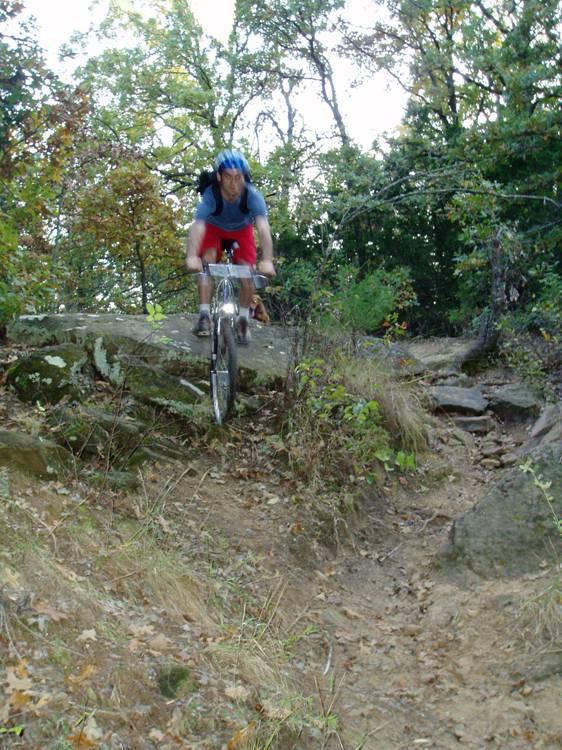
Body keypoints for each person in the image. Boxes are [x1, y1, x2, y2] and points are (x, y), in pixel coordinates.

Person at [185, 149, 275, 345]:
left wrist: (267, 260)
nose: (234, 183)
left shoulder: (252, 196)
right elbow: (198, 226)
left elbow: (262, 228)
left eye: (238, 177)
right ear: (219, 176)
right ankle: (204, 315)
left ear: (244, 177)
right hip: (213, 229)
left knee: (247, 270)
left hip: (241, 232)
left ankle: (242, 319)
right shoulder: (211, 195)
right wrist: (192, 256)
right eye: (228, 177)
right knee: (207, 260)